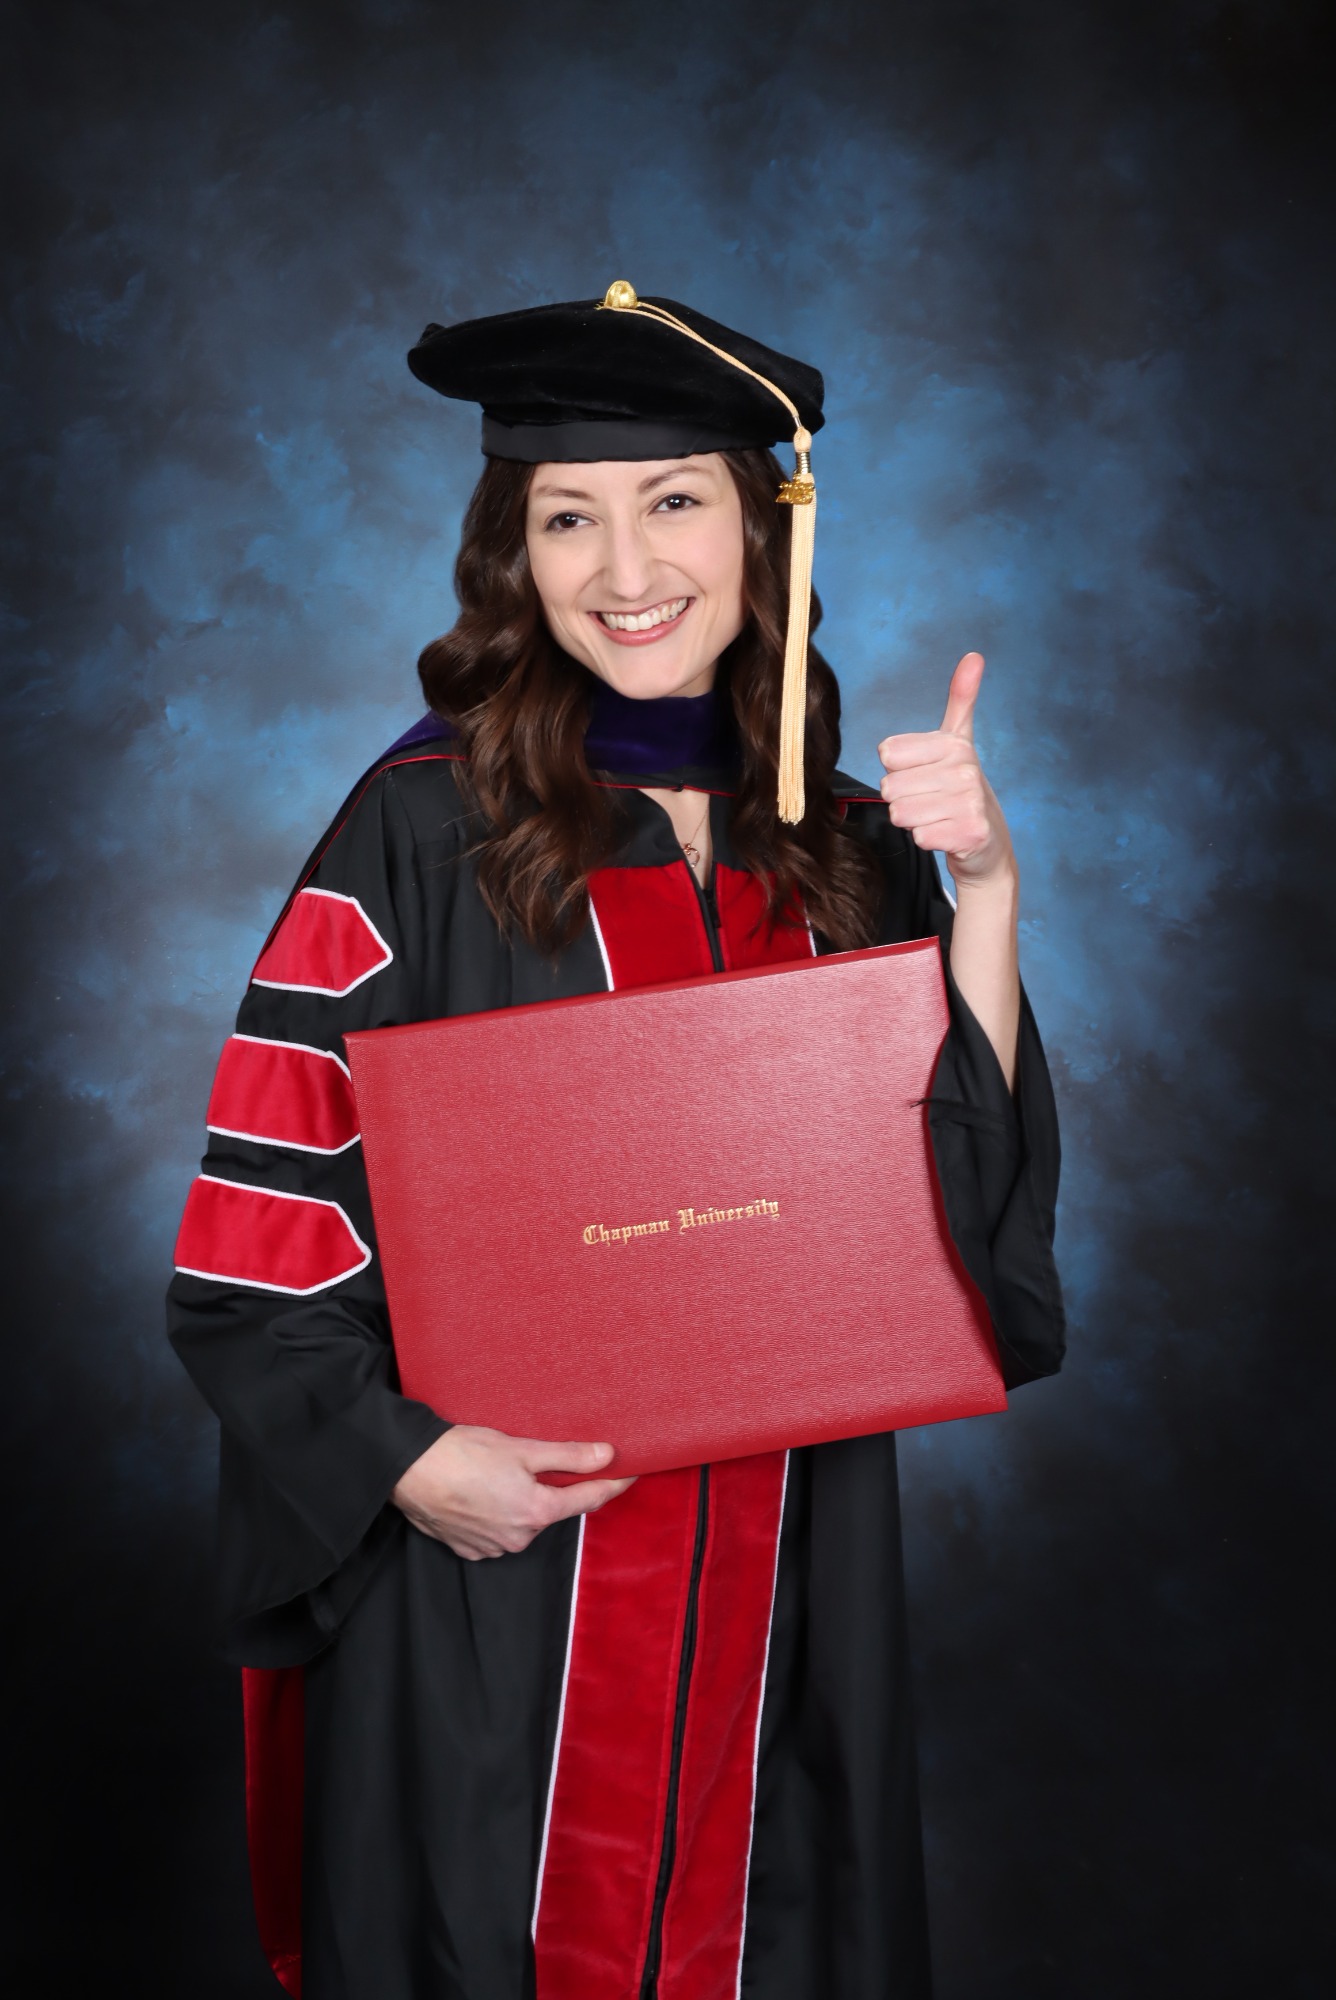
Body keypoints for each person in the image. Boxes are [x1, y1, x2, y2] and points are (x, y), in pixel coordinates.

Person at [168, 284, 1065, 2000]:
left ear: (761, 531)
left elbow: (954, 1214)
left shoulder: (841, 839)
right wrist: (404, 1465)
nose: (625, 567)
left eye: (673, 502)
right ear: (516, 554)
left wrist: (988, 891)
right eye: (568, 517)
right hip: (495, 1582)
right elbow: (262, 1231)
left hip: (783, 1574)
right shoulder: (417, 830)